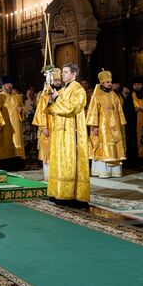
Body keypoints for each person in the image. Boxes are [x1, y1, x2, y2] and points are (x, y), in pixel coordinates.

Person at [45, 63, 89, 207]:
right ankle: (58, 191)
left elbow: (72, 108)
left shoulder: (78, 89)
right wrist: (51, 98)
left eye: (65, 72)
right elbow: (54, 110)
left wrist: (57, 99)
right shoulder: (64, 89)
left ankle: (71, 195)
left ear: (74, 74)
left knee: (70, 161)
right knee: (60, 161)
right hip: (60, 132)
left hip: (72, 133)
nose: (62, 74)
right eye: (62, 72)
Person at [86, 70, 127, 178]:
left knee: (115, 146)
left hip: (115, 126)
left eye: (110, 82)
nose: (109, 84)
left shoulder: (114, 95)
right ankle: (102, 171)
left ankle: (114, 171)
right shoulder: (97, 95)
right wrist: (94, 126)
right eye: (107, 82)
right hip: (102, 126)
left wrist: (121, 123)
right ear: (102, 83)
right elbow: (93, 111)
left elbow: (119, 110)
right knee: (103, 147)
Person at [32, 68, 62, 180]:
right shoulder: (45, 95)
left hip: (59, 127)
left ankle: (59, 175)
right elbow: (41, 112)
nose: (59, 82)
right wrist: (44, 126)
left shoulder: (61, 93)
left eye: (60, 80)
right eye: (56, 80)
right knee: (48, 150)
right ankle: (48, 176)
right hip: (48, 127)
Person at [0, 75, 25, 169]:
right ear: (3, 85)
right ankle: (5, 165)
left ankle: (18, 164)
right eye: (7, 84)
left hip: (16, 125)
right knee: (5, 144)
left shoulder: (18, 96)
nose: (10, 86)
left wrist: (21, 110)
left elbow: (22, 108)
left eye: (11, 84)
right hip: (5, 126)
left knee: (17, 143)